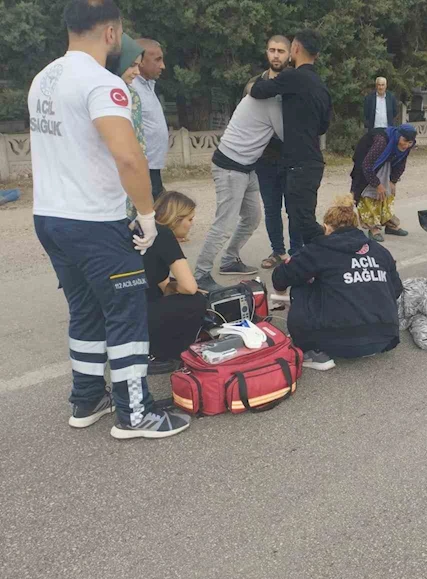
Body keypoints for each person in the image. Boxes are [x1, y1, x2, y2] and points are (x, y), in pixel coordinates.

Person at [30, 0, 190, 439]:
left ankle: (86, 398)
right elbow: (128, 158)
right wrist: (146, 215)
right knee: (126, 311)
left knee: (85, 310)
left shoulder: (44, 78)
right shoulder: (103, 84)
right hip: (93, 221)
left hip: (50, 216)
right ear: (112, 33)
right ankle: (134, 414)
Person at [272, 195, 403, 371]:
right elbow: (396, 289)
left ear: (326, 227)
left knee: (301, 284)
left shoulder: (319, 249)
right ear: (355, 226)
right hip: (385, 338)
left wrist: (281, 293)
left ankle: (312, 351)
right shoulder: (380, 251)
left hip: (337, 341)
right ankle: (367, 336)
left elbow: (281, 277)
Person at [193, 70, 284, 292]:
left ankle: (229, 260)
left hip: (246, 167)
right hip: (231, 167)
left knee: (252, 217)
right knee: (224, 224)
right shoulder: (270, 102)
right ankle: (200, 273)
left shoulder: (262, 96)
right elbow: (285, 134)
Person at [250, 29, 332, 245]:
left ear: (295, 48)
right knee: (301, 218)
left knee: (303, 221)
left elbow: (258, 90)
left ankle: (339, 243)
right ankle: (302, 260)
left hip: (299, 164)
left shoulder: (292, 77)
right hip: (313, 162)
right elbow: (323, 126)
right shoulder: (321, 86)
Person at [244, 35, 303, 270]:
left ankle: (297, 253)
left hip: (291, 158)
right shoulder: (255, 83)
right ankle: (278, 251)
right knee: (271, 208)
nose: (276, 55)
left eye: (281, 50)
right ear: (266, 52)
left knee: (294, 208)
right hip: (265, 159)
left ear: (290, 54)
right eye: (272, 50)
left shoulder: (297, 81)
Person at [143, 191, 206, 373]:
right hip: (139, 316)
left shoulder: (144, 229)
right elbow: (189, 286)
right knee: (196, 301)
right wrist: (185, 289)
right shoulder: (162, 234)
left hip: (119, 313)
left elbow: (160, 280)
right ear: (177, 218)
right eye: (190, 219)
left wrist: (174, 287)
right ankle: (164, 354)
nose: (191, 224)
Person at [350, 124, 417, 241]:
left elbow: (401, 164)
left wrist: (393, 181)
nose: (406, 145)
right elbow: (366, 165)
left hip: (384, 162)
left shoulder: (405, 146)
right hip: (365, 162)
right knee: (369, 194)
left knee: (388, 193)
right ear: (398, 136)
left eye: (410, 142)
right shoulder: (382, 141)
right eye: (405, 141)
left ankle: (389, 224)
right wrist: (377, 184)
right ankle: (373, 228)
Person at [106, 33, 145, 219]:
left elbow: (137, 144)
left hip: (126, 178)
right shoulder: (116, 94)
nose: (137, 72)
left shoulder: (130, 94)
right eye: (132, 65)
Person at [131, 38, 168, 199]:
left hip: (154, 167)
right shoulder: (131, 89)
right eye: (157, 60)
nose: (163, 66)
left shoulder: (148, 85)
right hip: (141, 169)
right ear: (140, 61)